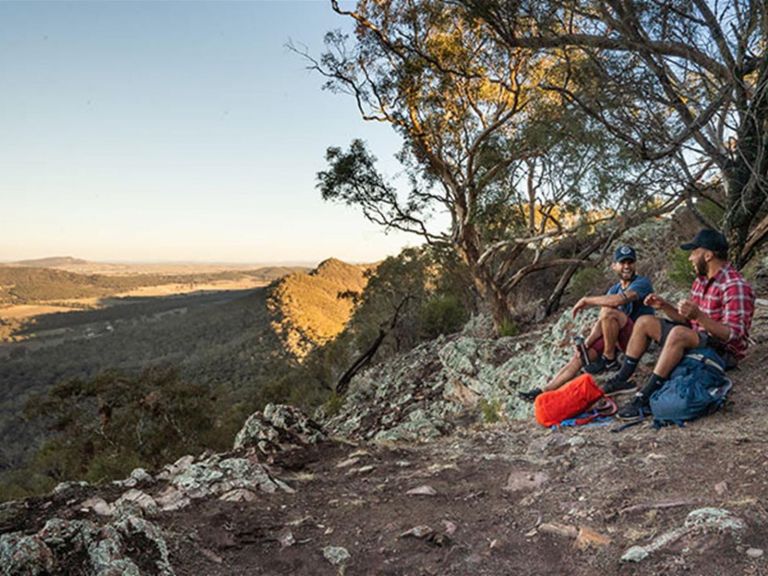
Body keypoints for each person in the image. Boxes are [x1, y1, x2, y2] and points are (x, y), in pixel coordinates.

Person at [608, 229, 755, 420]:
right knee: (645, 322)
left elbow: (734, 335)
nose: (690, 258)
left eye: (694, 252)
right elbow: (688, 321)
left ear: (708, 255)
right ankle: (622, 378)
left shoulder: (734, 285)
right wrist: (663, 306)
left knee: (678, 334)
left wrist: (699, 316)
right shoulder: (700, 282)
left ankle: (644, 397)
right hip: (697, 337)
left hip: (722, 350)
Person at [519, 245, 654, 401]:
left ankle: (609, 359)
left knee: (608, 311)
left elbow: (618, 301)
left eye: (630, 262)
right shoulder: (614, 289)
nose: (626, 266)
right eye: (622, 263)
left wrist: (586, 300)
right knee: (580, 357)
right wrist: (587, 344)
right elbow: (602, 321)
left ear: (635, 264)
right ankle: (544, 391)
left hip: (637, 338)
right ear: (614, 266)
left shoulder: (642, 283)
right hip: (618, 338)